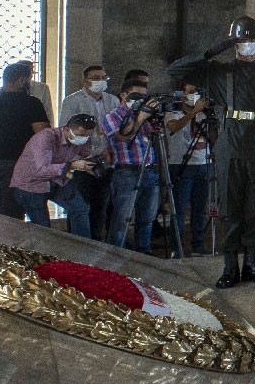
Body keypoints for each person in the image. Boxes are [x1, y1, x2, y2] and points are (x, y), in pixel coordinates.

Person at [168, 17, 255, 287]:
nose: (247, 45)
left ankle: (253, 263)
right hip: (230, 144)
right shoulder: (219, 72)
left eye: (251, 40)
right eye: (242, 40)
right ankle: (230, 266)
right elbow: (177, 69)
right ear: (234, 44)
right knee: (231, 207)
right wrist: (215, 49)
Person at [0, 59, 51, 218]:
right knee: (13, 211)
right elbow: (42, 135)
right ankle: (3, 242)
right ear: (22, 80)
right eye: (28, 79)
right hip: (16, 162)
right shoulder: (31, 103)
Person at [9, 113, 99, 235]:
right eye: (81, 135)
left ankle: (81, 248)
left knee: (80, 209)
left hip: (58, 179)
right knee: (43, 227)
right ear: (67, 129)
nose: (84, 138)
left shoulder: (84, 140)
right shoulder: (46, 137)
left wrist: (91, 165)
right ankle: (45, 252)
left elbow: (86, 154)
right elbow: (42, 169)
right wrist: (72, 165)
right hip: (31, 184)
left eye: (87, 135)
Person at [102, 77, 163, 252]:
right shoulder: (112, 116)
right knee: (122, 218)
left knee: (147, 217)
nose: (141, 100)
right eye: (136, 95)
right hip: (127, 171)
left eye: (144, 97)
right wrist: (139, 118)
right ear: (123, 95)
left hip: (150, 169)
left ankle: (143, 251)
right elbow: (123, 136)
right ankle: (115, 254)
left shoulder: (148, 116)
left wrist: (150, 116)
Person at [59, 64, 118, 237]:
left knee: (101, 204)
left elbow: (115, 129)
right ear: (85, 81)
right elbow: (67, 130)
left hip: (106, 158)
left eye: (103, 78)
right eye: (95, 78)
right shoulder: (73, 101)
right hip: (83, 159)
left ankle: (96, 240)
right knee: (80, 204)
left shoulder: (112, 100)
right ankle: (77, 240)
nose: (100, 81)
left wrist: (109, 150)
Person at [163, 80, 216, 253]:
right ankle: (176, 247)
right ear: (181, 94)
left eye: (198, 93)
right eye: (191, 92)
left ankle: (198, 244)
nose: (195, 96)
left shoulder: (205, 114)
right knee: (179, 208)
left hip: (204, 163)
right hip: (181, 164)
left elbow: (214, 136)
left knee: (200, 209)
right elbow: (174, 128)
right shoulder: (173, 113)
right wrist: (193, 112)